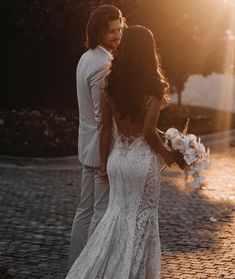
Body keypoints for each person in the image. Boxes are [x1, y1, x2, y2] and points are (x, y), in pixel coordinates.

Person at [66, 25, 183, 279]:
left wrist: (103, 164)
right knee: (142, 223)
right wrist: (168, 155)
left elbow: (105, 127)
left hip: (117, 160)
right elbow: (149, 132)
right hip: (142, 165)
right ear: (149, 52)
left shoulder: (109, 82)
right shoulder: (154, 87)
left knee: (114, 219)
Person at [68, 5, 125, 269]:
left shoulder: (86, 57)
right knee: (100, 213)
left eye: (120, 29)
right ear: (98, 31)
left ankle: (76, 265)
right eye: (112, 31)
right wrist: (107, 158)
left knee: (85, 210)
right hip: (100, 149)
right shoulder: (104, 64)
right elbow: (104, 119)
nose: (117, 35)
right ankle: (89, 269)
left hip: (86, 145)